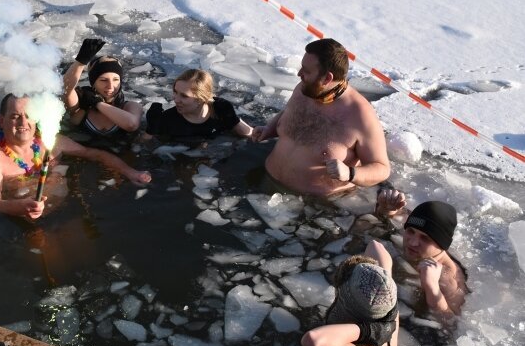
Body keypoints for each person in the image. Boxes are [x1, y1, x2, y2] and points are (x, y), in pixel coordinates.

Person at [0, 94, 151, 219]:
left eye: (28, 115)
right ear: (1, 120)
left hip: (67, 210)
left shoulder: (51, 142)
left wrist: (130, 172)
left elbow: (95, 155)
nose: (23, 123)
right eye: (15, 116)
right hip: (28, 224)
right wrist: (18, 208)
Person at [251, 38, 390, 196]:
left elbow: (381, 168)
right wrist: (269, 129)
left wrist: (350, 173)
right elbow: (289, 113)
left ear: (327, 78)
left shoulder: (360, 115)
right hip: (267, 183)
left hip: (313, 203)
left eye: (306, 71)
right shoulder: (305, 89)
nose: (299, 74)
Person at [301, 240, 399, 346]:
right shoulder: (387, 305)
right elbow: (375, 246)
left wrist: (368, 330)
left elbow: (314, 341)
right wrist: (378, 274)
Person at [376, 189, 468, 316]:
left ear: (442, 245)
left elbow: (452, 324)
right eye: (411, 232)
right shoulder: (412, 230)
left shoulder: (448, 278)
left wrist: (432, 287)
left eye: (425, 238)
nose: (412, 242)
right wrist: (386, 208)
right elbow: (392, 215)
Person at [62, 38, 143, 137]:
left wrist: (97, 103)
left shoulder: (130, 107)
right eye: (103, 80)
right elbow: (67, 88)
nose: (110, 86)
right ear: (93, 83)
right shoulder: (81, 105)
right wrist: (80, 62)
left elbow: (131, 124)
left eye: (116, 80)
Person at [144, 68, 253, 139]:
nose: (175, 99)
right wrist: (151, 129)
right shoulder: (168, 119)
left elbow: (249, 135)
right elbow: (143, 147)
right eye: (175, 92)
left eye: (184, 96)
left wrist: (233, 119)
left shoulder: (220, 110)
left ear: (201, 99)